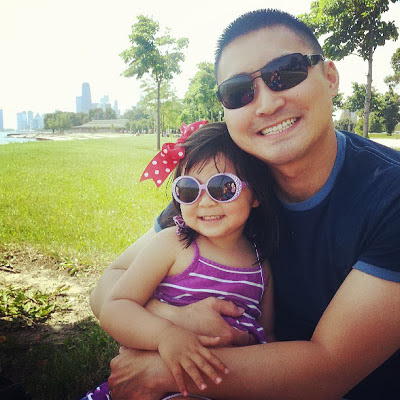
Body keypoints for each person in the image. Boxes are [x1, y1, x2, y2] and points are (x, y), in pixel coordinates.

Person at [90, 8, 400, 400]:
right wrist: (175, 320)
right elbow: (105, 289)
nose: (266, 104)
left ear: (330, 77)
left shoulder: (389, 195)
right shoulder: (216, 186)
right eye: (239, 92)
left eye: (285, 73)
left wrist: (168, 372)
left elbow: (330, 371)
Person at [84, 121, 277, 400]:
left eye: (223, 187)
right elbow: (115, 307)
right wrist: (165, 335)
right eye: (189, 189)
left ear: (256, 194)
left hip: (228, 387)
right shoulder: (172, 245)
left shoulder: (261, 266)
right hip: (156, 386)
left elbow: (268, 337)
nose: (205, 202)